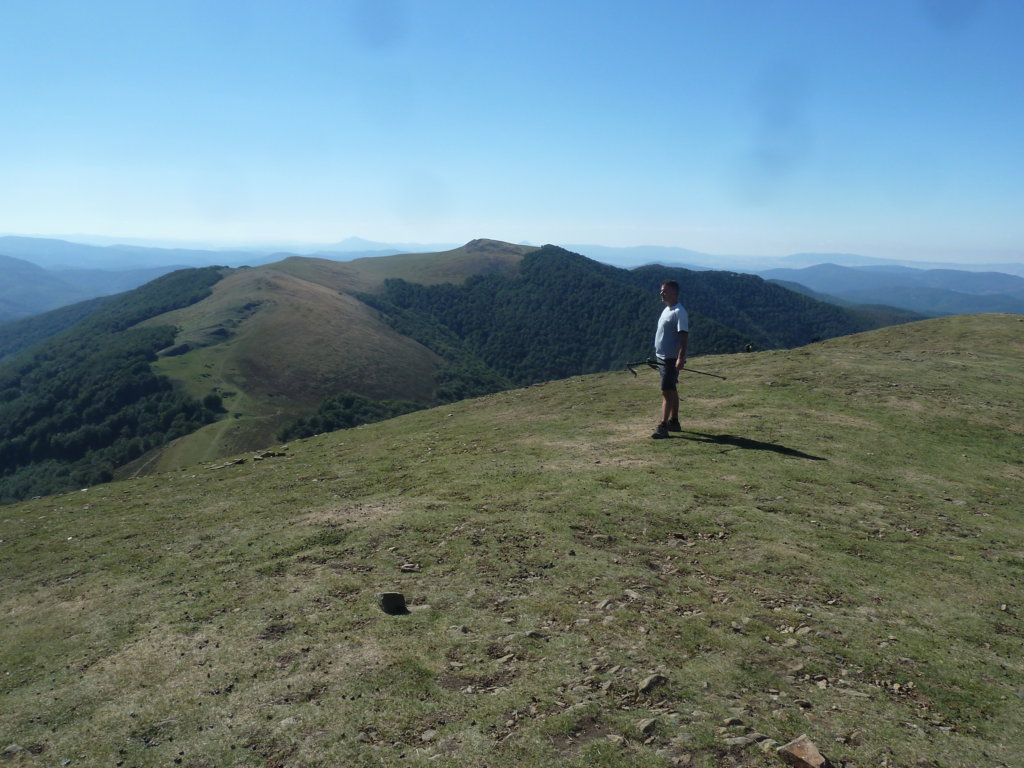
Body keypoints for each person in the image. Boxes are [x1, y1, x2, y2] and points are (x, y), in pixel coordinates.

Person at [651, 279, 689, 439]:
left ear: (674, 293)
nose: (661, 293)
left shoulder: (679, 312)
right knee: (671, 389)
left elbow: (684, 336)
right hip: (662, 357)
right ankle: (674, 422)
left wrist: (680, 358)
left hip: (670, 359)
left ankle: (663, 426)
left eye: (665, 291)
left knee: (666, 391)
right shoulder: (667, 309)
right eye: (661, 290)